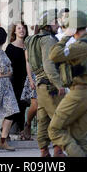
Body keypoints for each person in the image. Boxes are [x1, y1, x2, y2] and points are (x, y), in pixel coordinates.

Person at [48, 11, 87, 157]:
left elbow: (54, 55)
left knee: (55, 130)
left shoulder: (79, 46)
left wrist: (65, 37)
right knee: (79, 137)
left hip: (78, 92)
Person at [25, 9, 66, 157]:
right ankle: (58, 150)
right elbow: (49, 64)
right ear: (47, 25)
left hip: (40, 85)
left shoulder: (35, 39)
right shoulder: (48, 40)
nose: (58, 24)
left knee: (43, 119)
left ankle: (44, 150)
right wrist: (58, 84)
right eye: (54, 22)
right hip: (49, 85)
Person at [5, 22, 31, 139]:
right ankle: (8, 131)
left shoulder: (28, 46)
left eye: (23, 28)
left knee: (23, 105)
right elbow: (6, 65)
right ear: (14, 31)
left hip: (26, 79)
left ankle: (20, 131)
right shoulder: (10, 47)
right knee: (16, 105)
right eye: (19, 28)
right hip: (14, 81)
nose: (21, 30)